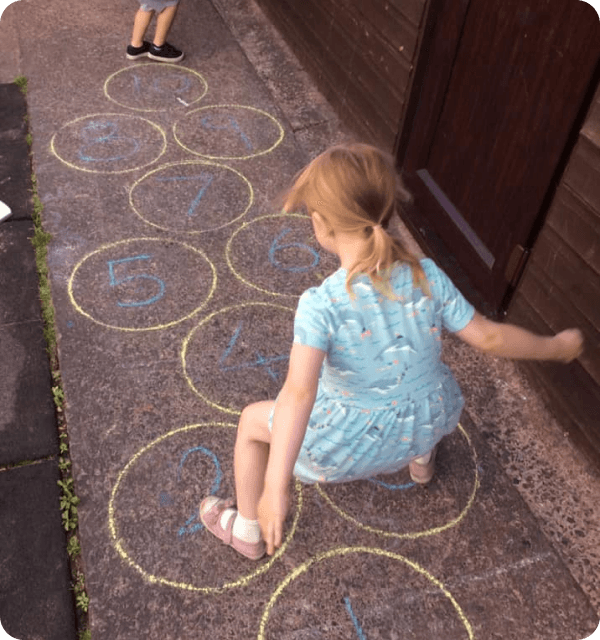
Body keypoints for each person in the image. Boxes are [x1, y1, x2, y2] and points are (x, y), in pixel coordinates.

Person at [199, 142, 584, 560]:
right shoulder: (427, 275)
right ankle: (421, 463)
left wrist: (276, 488)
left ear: (320, 224)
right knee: (412, 385)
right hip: (429, 419)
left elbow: (298, 394)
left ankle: (248, 532)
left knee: (252, 424)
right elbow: (489, 338)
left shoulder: (322, 304)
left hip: (345, 449)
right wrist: (555, 346)